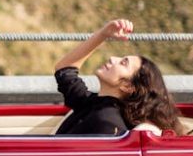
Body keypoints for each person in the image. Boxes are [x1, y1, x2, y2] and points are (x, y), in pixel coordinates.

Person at [54, 18, 182, 136]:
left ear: (128, 86)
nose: (112, 58)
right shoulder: (93, 102)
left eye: (123, 63)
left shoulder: (106, 123)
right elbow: (65, 70)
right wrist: (104, 34)